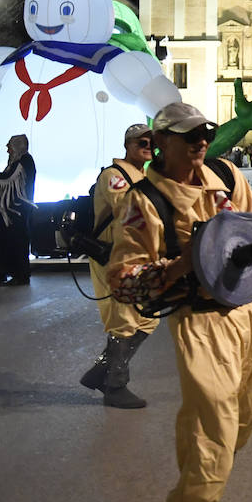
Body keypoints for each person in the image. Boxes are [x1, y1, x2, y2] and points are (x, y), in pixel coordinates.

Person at [107, 102, 252, 502]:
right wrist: (186, 261)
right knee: (211, 427)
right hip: (201, 322)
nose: (202, 141)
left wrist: (242, 244)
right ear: (162, 141)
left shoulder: (225, 173)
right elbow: (126, 281)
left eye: (206, 131)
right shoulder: (145, 201)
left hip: (249, 313)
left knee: (244, 417)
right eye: (189, 135)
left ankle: (207, 496)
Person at [79, 123, 159, 409]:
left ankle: (102, 369)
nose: (148, 146)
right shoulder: (115, 176)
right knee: (124, 319)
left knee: (149, 317)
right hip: (116, 256)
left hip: (140, 257)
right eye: (141, 142)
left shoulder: (147, 175)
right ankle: (115, 384)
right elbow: (129, 211)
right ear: (128, 144)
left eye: (151, 142)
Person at [0, 133, 36, 286]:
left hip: (17, 211)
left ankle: (20, 275)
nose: (7, 150)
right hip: (7, 211)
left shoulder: (25, 161)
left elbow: (9, 178)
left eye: (9, 146)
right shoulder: (15, 162)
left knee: (16, 243)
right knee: (0, 242)